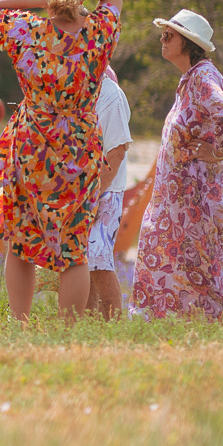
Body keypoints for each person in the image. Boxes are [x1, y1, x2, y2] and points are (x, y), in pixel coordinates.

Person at [0, 0, 122, 321]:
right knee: (73, 246)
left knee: (21, 240)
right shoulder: (96, 33)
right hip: (80, 145)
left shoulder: (26, 30)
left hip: (32, 145)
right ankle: (68, 328)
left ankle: (21, 322)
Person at [131, 10, 223, 322]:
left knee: (198, 262)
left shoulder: (203, 78)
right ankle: (162, 323)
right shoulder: (191, 79)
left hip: (194, 197)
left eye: (169, 35)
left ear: (188, 43)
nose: (162, 40)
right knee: (165, 256)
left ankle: (210, 326)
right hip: (175, 199)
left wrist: (215, 150)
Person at [88, 65, 134, 318]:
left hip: (105, 190)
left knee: (99, 261)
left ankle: (115, 325)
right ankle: (84, 323)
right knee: (83, 263)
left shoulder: (111, 95)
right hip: (83, 189)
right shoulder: (79, 86)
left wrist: (94, 195)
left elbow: (116, 152)